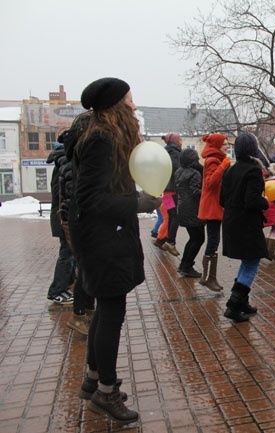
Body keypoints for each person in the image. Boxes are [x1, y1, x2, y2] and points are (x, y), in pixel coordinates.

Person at [69, 77, 160, 423]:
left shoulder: (102, 136)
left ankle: (94, 381)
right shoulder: (102, 140)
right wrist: (138, 201)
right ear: (115, 106)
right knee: (111, 314)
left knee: (104, 310)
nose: (134, 106)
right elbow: (91, 199)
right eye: (130, 100)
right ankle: (106, 392)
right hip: (102, 239)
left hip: (101, 237)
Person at [220, 132, 269, 322]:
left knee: (247, 262)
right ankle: (233, 305)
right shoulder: (253, 171)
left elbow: (222, 199)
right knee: (251, 263)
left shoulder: (230, 170)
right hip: (247, 225)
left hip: (231, 222)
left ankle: (242, 302)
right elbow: (252, 202)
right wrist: (265, 202)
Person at [59, 114, 96, 335]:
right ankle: (79, 314)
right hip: (79, 219)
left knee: (87, 266)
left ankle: (86, 311)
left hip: (77, 218)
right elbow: (77, 195)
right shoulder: (77, 159)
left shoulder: (73, 155)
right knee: (86, 266)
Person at [197, 133, 230, 292]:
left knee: (214, 239)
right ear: (217, 145)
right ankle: (207, 277)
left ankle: (210, 277)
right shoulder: (212, 160)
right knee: (213, 239)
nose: (227, 146)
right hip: (212, 207)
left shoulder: (216, 159)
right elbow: (211, 183)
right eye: (224, 144)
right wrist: (223, 166)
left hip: (215, 205)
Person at [46, 139, 75, 305]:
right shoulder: (64, 164)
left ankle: (67, 283)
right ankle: (57, 290)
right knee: (67, 254)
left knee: (70, 253)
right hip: (63, 217)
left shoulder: (62, 162)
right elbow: (62, 195)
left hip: (63, 216)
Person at [175, 148, 205, 278]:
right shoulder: (195, 173)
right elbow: (195, 191)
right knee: (199, 238)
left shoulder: (179, 172)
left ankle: (184, 265)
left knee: (193, 238)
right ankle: (186, 266)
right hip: (193, 210)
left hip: (182, 209)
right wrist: (207, 193)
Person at [154, 133, 183, 256]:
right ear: (176, 141)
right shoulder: (175, 153)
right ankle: (169, 241)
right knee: (173, 215)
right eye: (180, 139)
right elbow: (177, 170)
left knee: (169, 216)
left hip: (165, 190)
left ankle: (161, 239)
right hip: (172, 190)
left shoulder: (166, 152)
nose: (181, 141)